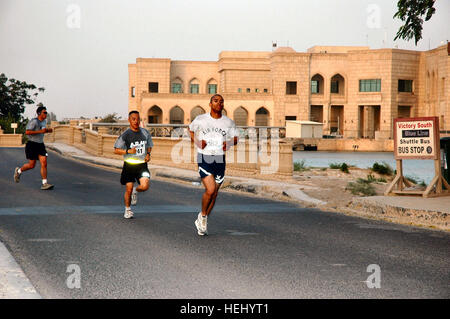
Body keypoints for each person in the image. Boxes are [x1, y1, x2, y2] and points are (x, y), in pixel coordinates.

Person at [189, 94, 239, 236]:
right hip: (204, 157)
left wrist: (229, 143)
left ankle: (202, 218)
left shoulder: (228, 122)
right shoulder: (201, 119)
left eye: (221, 101)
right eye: (216, 101)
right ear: (210, 104)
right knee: (210, 190)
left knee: (215, 193)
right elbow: (190, 130)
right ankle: (203, 216)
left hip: (219, 159)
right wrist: (198, 142)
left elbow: (235, 138)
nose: (219, 103)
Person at [114, 111, 153, 219]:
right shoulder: (126, 135)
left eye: (138, 119)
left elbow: (149, 145)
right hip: (129, 165)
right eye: (133, 119)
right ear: (129, 120)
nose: (136, 121)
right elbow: (116, 150)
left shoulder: (145, 133)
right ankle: (127, 210)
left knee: (145, 186)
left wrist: (148, 154)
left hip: (142, 165)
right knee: (129, 189)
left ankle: (136, 191)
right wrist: (128, 151)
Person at [14, 105, 54, 190]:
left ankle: (44, 183)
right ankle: (18, 171)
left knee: (44, 163)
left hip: (40, 145)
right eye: (44, 112)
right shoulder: (34, 121)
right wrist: (40, 131)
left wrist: (48, 130)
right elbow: (27, 132)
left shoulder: (44, 121)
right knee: (31, 165)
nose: (46, 114)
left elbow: (43, 130)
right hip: (32, 145)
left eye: (46, 112)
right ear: (39, 113)